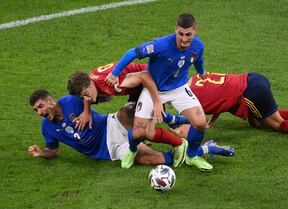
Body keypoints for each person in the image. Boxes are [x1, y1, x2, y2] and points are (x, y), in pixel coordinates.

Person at [104, 13, 212, 171]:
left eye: (188, 34)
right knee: (139, 132)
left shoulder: (198, 46)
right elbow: (132, 53)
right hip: (154, 88)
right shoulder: (161, 45)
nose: (184, 39)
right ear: (176, 30)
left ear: (195, 31)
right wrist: (114, 73)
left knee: (200, 123)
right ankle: (132, 151)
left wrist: (201, 71)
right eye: (180, 34)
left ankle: (192, 155)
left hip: (179, 88)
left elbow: (197, 58)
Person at [27, 89, 233, 163]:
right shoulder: (47, 128)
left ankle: (176, 119)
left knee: (130, 108)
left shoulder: (70, 101)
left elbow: (92, 95)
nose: (40, 112)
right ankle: (205, 149)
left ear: (51, 100)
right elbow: (53, 152)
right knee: (155, 158)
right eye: (36, 110)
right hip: (111, 150)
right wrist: (41, 153)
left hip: (112, 124)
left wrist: (87, 109)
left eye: (41, 106)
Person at [67, 62, 188, 168]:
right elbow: (87, 94)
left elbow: (145, 76)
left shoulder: (111, 82)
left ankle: (180, 143)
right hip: (138, 87)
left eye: (86, 94)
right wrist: (86, 111)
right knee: (136, 124)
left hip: (152, 82)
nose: (86, 99)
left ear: (91, 84)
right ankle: (174, 122)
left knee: (147, 131)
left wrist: (157, 102)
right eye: (82, 97)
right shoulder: (89, 81)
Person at [163, 72, 288, 137]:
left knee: (278, 124)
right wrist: (211, 121)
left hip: (250, 93)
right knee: (255, 122)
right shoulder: (194, 80)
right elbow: (218, 96)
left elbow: (191, 128)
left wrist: (178, 131)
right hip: (253, 78)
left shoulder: (188, 100)